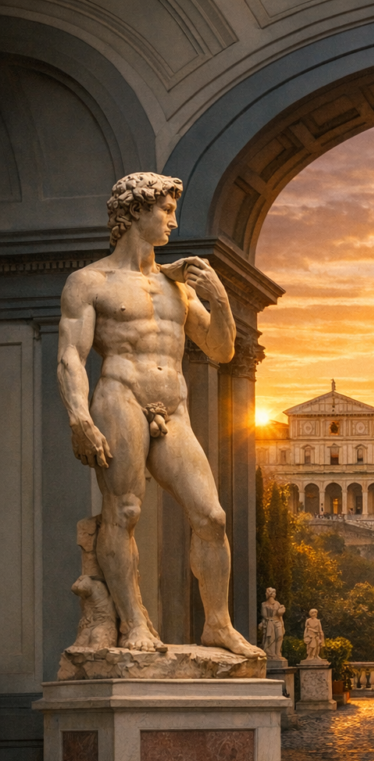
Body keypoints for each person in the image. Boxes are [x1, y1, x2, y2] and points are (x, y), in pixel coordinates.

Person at [56, 172, 260, 656]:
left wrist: (221, 298)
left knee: (211, 516)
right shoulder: (90, 282)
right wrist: (79, 419)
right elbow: (69, 356)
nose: (173, 219)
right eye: (164, 210)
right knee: (124, 511)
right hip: (119, 396)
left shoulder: (178, 286)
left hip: (175, 405)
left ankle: (217, 625)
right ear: (134, 212)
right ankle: (134, 623)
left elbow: (221, 349)